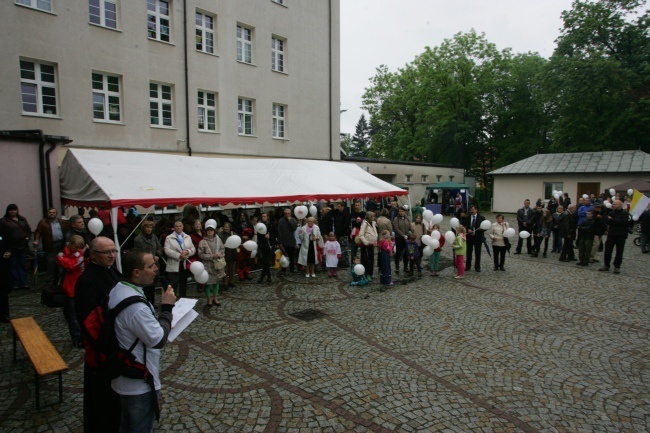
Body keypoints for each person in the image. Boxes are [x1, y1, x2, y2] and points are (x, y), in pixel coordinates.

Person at [109, 249, 176, 433]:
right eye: (151, 266)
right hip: (139, 381)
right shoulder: (135, 306)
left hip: (125, 374)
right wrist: (167, 309)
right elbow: (158, 339)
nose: (156, 269)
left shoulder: (118, 288)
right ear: (136, 272)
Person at [74, 236, 122, 433]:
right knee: (102, 401)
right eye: (107, 252)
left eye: (114, 251)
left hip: (117, 341)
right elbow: (88, 321)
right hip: (102, 348)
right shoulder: (87, 280)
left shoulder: (111, 270)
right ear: (93, 255)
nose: (112, 255)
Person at [56, 235, 88, 348]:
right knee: (73, 317)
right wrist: (81, 254)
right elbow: (71, 266)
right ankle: (76, 338)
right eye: (76, 247)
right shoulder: (61, 255)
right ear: (70, 244)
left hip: (83, 288)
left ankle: (85, 337)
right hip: (71, 289)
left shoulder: (80, 253)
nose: (78, 249)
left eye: (80, 247)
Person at [33, 207, 69, 291]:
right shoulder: (43, 223)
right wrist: (36, 240)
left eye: (53, 212)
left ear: (56, 213)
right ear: (47, 213)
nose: (52, 214)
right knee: (51, 263)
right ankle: (50, 283)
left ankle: (62, 281)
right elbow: (38, 232)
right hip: (50, 245)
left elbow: (67, 231)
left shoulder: (62, 222)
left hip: (62, 244)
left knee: (63, 262)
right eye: (50, 212)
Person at [0, 204, 32, 290]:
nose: (13, 211)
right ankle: (15, 284)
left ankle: (23, 283)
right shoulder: (4, 221)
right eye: (11, 210)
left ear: (17, 210)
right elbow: (2, 233)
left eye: (14, 210)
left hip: (22, 246)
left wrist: (28, 237)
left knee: (22, 265)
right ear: (8, 211)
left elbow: (28, 230)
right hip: (11, 247)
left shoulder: (22, 219)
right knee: (12, 265)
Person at [133, 220, 163, 305]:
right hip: (145, 265)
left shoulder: (154, 237)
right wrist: (152, 257)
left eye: (151, 227)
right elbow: (139, 253)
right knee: (146, 286)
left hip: (155, 265)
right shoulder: (138, 239)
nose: (149, 229)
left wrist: (158, 255)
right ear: (143, 228)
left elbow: (160, 248)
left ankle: (152, 303)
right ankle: (146, 303)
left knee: (153, 285)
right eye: (147, 227)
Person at [163, 220, 195, 298]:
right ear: (174, 228)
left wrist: (187, 251)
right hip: (174, 263)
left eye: (180, 226)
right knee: (174, 283)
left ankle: (183, 299)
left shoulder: (187, 237)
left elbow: (193, 248)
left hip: (184, 264)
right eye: (176, 226)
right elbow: (167, 250)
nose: (178, 227)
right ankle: (172, 300)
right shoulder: (169, 238)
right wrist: (178, 255)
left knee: (183, 283)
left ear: (182, 227)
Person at [198, 221, 225, 306]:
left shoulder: (218, 240)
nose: (209, 231)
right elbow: (200, 254)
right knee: (208, 282)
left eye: (211, 230)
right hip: (207, 265)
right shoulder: (202, 242)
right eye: (208, 230)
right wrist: (211, 256)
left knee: (216, 281)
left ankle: (215, 297)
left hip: (217, 264)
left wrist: (219, 254)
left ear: (214, 231)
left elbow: (222, 249)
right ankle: (209, 298)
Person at [599, 199, 630, 274]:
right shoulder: (611, 212)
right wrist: (616, 220)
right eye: (613, 204)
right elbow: (606, 220)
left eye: (615, 204)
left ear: (620, 205)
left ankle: (617, 266)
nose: (613, 205)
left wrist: (613, 220)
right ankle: (606, 265)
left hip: (621, 235)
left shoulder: (625, 213)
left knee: (619, 251)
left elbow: (623, 222)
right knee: (608, 250)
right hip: (611, 234)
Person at [462, 205, 485, 272]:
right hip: (469, 237)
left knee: (478, 253)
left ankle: (477, 266)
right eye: (471, 210)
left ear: (476, 210)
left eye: (473, 210)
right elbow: (464, 226)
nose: (471, 211)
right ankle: (468, 266)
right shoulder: (467, 217)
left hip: (478, 237)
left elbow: (486, 226)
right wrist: (467, 230)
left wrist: (482, 229)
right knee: (469, 253)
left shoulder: (481, 218)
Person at [256, 213, 276, 284]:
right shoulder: (260, 225)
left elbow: (276, 233)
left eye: (265, 216)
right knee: (265, 261)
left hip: (270, 245)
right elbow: (259, 236)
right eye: (262, 216)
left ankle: (263, 277)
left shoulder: (272, 224)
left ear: (267, 217)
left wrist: (269, 236)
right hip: (263, 245)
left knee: (267, 261)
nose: (263, 218)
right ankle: (268, 276)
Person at [358, 211, 378, 281]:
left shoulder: (372, 223)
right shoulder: (365, 224)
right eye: (372, 216)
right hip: (366, 245)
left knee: (371, 259)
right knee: (366, 259)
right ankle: (366, 273)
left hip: (372, 244)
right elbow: (361, 234)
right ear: (369, 217)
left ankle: (370, 273)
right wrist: (366, 242)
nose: (374, 218)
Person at [277, 208, 298, 273]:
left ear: (290, 213)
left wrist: (290, 221)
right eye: (286, 214)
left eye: (288, 213)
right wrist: (280, 242)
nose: (287, 215)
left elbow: (294, 228)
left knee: (292, 256)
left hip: (291, 241)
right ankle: (284, 269)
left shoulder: (293, 220)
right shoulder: (281, 220)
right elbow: (279, 232)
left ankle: (292, 269)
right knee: (284, 256)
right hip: (284, 241)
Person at [218, 222, 237, 289]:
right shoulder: (220, 235)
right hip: (224, 254)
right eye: (225, 227)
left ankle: (231, 282)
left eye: (228, 227)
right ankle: (225, 283)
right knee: (225, 270)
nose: (227, 228)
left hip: (232, 253)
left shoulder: (233, 234)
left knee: (232, 269)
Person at [392, 206, 411, 274]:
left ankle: (405, 266)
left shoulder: (407, 219)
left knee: (406, 253)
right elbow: (396, 228)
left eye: (402, 211)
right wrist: (403, 235)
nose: (401, 212)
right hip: (399, 238)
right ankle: (397, 267)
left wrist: (410, 232)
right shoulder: (396, 219)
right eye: (400, 211)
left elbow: (410, 227)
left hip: (407, 238)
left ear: (404, 212)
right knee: (398, 252)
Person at [0, 223, 13, 323]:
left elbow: (10, 243)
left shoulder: (3, 229)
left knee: (3, 292)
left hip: (2, 265)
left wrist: (9, 252)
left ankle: (5, 314)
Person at [332, 202, 350, 268]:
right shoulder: (337, 213)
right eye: (337, 206)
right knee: (339, 248)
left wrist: (339, 231)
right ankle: (340, 261)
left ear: (342, 207)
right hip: (338, 233)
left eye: (339, 206)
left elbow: (346, 224)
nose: (338, 208)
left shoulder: (346, 214)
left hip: (343, 233)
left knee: (344, 249)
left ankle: (345, 262)